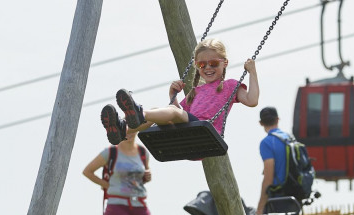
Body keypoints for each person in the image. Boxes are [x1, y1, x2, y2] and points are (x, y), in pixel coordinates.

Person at [101, 38, 260, 145]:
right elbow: (180, 113)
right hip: (189, 129)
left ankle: (138, 113)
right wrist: (173, 95)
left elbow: (252, 100)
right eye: (202, 65)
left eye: (213, 63)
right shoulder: (196, 91)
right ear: (197, 65)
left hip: (205, 132)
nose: (208, 68)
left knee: (171, 111)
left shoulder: (230, 85)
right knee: (159, 110)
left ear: (225, 63)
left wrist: (252, 72)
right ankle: (122, 129)